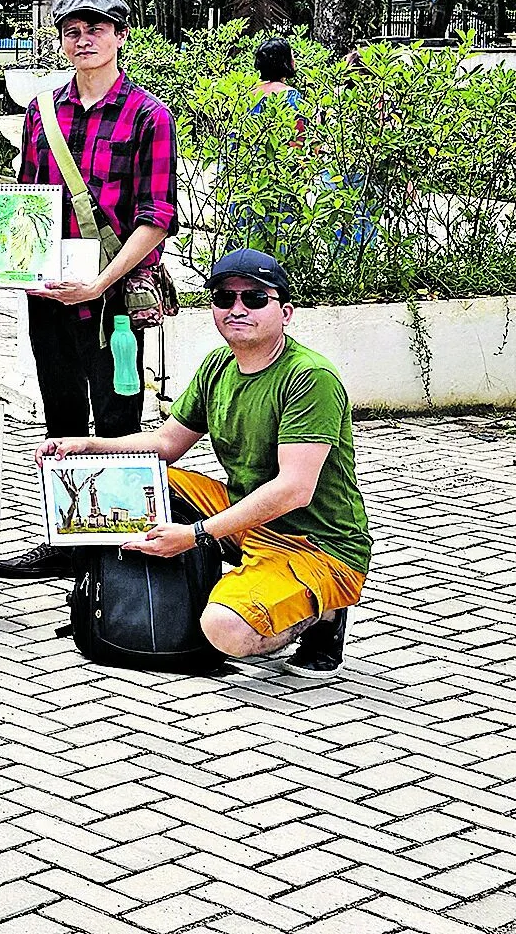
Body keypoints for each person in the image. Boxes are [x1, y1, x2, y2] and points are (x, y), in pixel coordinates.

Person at [35, 250, 369, 677]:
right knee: (129, 482)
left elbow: (293, 489)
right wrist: (89, 446)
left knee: (224, 630)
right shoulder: (219, 364)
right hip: (246, 514)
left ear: (285, 312)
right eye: (224, 298)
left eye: (254, 298)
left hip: (315, 542)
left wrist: (194, 535)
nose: (238, 309)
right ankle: (124, 598)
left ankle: (324, 615)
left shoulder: (309, 377)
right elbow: (166, 443)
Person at [0, 0, 178, 581]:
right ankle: (66, 539)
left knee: (120, 419)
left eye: (97, 27)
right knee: (62, 414)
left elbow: (157, 216)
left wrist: (101, 282)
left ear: (121, 36)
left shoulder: (149, 115)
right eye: (72, 28)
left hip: (115, 300)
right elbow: (25, 197)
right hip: (49, 295)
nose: (84, 37)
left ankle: (121, 544)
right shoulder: (43, 110)